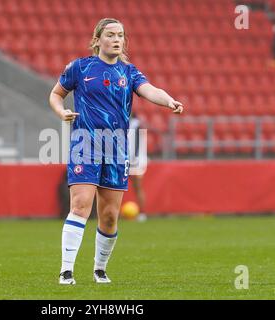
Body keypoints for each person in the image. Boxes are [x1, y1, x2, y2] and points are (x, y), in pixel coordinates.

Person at [48, 18, 184, 285]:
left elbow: (150, 90)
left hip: (116, 148)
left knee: (110, 216)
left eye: (120, 35)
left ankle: (99, 269)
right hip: (84, 144)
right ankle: (66, 271)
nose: (116, 39)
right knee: (80, 205)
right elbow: (55, 94)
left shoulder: (129, 72)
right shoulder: (80, 67)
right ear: (98, 39)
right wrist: (61, 111)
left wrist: (168, 101)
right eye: (110, 35)